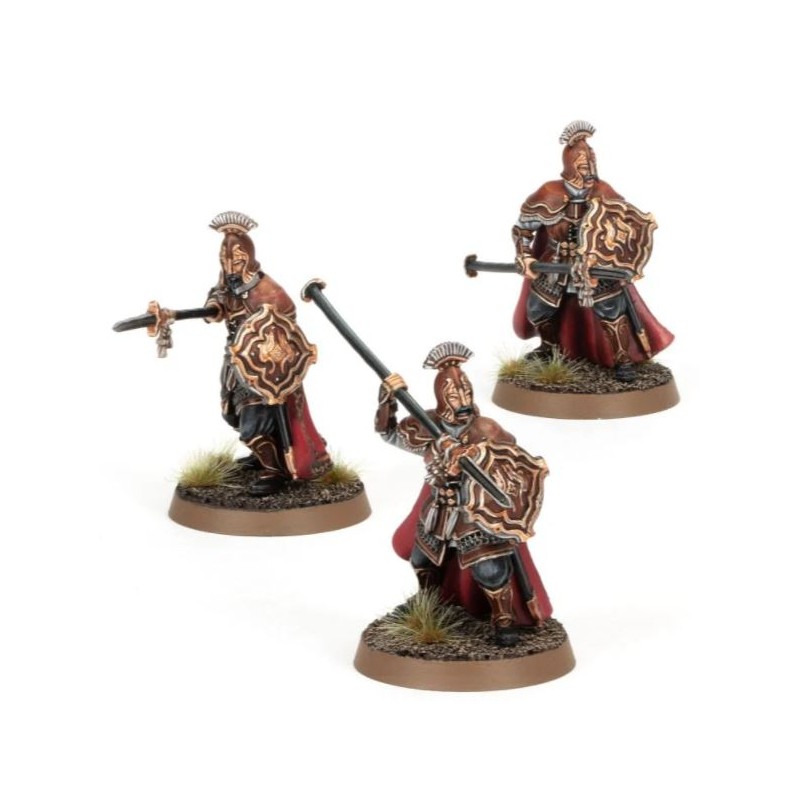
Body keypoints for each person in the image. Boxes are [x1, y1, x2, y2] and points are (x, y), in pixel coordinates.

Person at [375, 341, 552, 645]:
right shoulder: (428, 426)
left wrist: (473, 454)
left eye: (466, 392)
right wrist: (386, 401)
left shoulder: (486, 429)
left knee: (489, 568)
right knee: (422, 559)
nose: (463, 399)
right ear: (442, 397)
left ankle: (503, 617)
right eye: (455, 395)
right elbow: (388, 433)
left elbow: (512, 466)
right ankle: (428, 602)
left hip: (476, 513)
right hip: (440, 508)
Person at [512, 120, 673, 381]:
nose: (588, 168)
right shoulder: (548, 192)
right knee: (538, 308)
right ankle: (550, 349)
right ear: (569, 164)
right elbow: (522, 230)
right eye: (582, 164)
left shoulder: (603, 191)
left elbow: (624, 227)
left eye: (590, 162)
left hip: (597, 264)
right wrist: (525, 256)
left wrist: (616, 260)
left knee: (612, 309)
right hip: (557, 261)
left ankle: (622, 359)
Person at [204, 211, 331, 495]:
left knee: (255, 419)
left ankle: (273, 470)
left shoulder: (269, 291)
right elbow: (217, 301)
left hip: (263, 366)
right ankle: (261, 454)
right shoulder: (228, 284)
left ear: (249, 257)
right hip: (235, 359)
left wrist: (271, 359)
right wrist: (213, 308)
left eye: (237, 259)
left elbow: (285, 326)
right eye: (225, 259)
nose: (230, 265)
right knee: (231, 413)